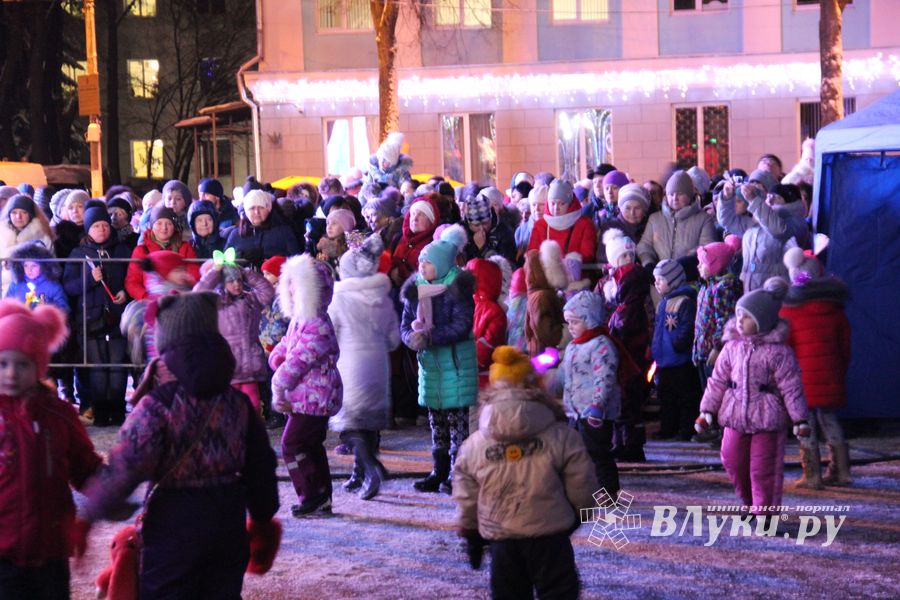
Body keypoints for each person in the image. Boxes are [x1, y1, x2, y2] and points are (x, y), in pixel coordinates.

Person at [81, 292, 281, 598]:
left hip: (174, 520)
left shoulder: (157, 405)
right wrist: (263, 520)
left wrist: (89, 514)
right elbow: (260, 466)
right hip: (228, 519)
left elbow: (126, 466)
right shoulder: (238, 403)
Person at [453, 346, 597, 600]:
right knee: (559, 592)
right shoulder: (561, 435)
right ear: (535, 386)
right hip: (550, 534)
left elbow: (466, 493)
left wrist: (471, 531)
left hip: (501, 537)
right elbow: (582, 482)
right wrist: (580, 514)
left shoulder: (474, 445)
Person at [0, 300, 102, 598]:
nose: (11, 373)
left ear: (40, 365)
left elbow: (84, 465)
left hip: (51, 550)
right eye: (2, 363)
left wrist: (112, 484)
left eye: (23, 364)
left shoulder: (59, 414)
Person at [696, 278, 810, 518]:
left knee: (763, 468)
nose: (739, 320)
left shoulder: (779, 353)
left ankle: (765, 514)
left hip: (767, 417)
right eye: (738, 314)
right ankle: (749, 503)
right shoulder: (731, 348)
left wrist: (799, 419)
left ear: (762, 321)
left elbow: (791, 387)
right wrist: (707, 409)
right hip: (735, 414)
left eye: (746, 316)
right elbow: (717, 380)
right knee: (732, 459)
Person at [400, 224, 477, 494]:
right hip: (430, 367)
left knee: (457, 424)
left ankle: (459, 474)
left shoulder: (458, 289)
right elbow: (405, 325)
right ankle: (438, 470)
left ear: (443, 264)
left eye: (428, 263)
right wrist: (411, 338)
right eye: (421, 262)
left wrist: (430, 337)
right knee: (437, 423)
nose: (422, 267)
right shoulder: (416, 290)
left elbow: (462, 326)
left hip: (455, 366)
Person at [328, 234, 400, 500]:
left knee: (350, 425)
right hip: (378, 368)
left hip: (350, 366)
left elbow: (330, 335)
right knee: (369, 425)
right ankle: (363, 472)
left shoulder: (339, 300)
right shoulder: (383, 298)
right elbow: (394, 340)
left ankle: (372, 468)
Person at [270, 255, 342, 517]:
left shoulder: (317, 324)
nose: (290, 289)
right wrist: (277, 355)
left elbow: (299, 361)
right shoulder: (301, 320)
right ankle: (321, 496)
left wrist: (278, 384)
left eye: (295, 284)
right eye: (287, 283)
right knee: (310, 444)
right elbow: (288, 347)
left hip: (315, 396)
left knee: (293, 444)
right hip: (307, 396)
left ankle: (311, 494)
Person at [779, 247, 852, 488]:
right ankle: (842, 471)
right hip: (830, 377)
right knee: (830, 421)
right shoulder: (835, 309)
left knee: (805, 426)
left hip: (801, 381)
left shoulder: (788, 311)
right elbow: (845, 347)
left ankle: (812, 475)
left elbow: (785, 349)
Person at [63, 205, 131, 426]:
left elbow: (132, 278)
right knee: (98, 368)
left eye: (104, 225)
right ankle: (101, 412)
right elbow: (69, 287)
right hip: (90, 320)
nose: (101, 229)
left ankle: (118, 410)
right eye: (95, 225)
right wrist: (90, 279)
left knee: (118, 366)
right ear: (87, 229)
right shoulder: (78, 254)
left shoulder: (121, 251)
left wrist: (125, 292)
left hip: (117, 318)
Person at [560, 291, 632, 497]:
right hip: (576, 411)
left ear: (589, 319)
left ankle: (608, 493)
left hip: (595, 413)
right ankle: (585, 490)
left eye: (574, 322)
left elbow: (605, 378)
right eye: (568, 322)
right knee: (578, 453)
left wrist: (598, 405)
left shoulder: (601, 345)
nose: (570, 327)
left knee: (598, 453)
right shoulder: (573, 346)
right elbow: (564, 375)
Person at [193, 260, 275, 412]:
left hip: (250, 365)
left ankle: (252, 434)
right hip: (228, 366)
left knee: (254, 407)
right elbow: (198, 294)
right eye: (231, 281)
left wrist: (245, 272)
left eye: (238, 280)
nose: (236, 284)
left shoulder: (251, 299)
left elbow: (267, 291)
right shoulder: (217, 303)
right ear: (222, 283)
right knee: (230, 409)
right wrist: (215, 273)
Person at [718, 180, 809, 292]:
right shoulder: (758, 220)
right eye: (768, 197)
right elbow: (728, 220)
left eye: (776, 197)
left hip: (778, 290)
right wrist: (727, 197)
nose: (769, 201)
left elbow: (779, 230)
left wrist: (754, 200)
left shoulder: (796, 222)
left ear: (789, 202)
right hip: (750, 287)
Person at [652, 260, 700, 441]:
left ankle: (686, 429)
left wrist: (679, 343)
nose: (656, 284)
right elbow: (658, 331)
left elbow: (688, 326)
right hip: (664, 360)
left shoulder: (684, 301)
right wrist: (654, 350)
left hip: (680, 360)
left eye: (660, 280)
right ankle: (667, 428)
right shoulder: (662, 303)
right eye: (655, 280)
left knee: (685, 397)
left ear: (673, 281)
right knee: (666, 398)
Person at [637, 170, 716, 270]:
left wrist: (685, 264)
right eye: (671, 194)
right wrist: (648, 263)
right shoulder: (654, 219)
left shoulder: (704, 219)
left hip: (690, 279)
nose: (675, 198)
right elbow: (645, 245)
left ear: (690, 195)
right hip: (658, 278)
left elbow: (707, 249)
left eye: (680, 194)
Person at [693, 237, 743, 392]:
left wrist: (717, 348)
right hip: (703, 353)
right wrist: (696, 351)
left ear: (715, 265)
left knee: (717, 395)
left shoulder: (723, 289)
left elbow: (725, 322)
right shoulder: (705, 287)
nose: (698, 266)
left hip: (715, 355)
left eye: (702, 263)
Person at [125, 205, 200, 301]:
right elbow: (133, 281)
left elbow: (194, 274)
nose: (164, 228)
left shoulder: (184, 248)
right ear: (152, 226)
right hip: (149, 301)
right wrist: (146, 297)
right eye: (159, 223)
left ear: (174, 226)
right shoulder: (142, 250)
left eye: (168, 223)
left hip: (180, 299)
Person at [226, 190, 301, 269]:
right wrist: (240, 256)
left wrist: (267, 259)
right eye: (252, 208)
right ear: (246, 211)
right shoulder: (236, 234)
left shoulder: (283, 231)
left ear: (269, 208)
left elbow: (297, 261)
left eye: (261, 207)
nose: (256, 212)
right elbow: (224, 262)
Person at [527, 179, 596, 262]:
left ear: (570, 204)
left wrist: (565, 262)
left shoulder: (584, 224)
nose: (556, 208)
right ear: (547, 203)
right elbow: (532, 253)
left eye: (562, 203)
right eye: (553, 203)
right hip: (545, 272)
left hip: (575, 272)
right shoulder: (540, 225)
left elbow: (588, 254)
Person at [0, 194, 54, 296]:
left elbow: (50, 269)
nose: (18, 216)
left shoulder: (42, 238)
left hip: (32, 292)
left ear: (30, 214)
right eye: (14, 212)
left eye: (23, 212)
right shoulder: (1, 236)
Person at [466, 258, 507, 389]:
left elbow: (487, 345)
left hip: (485, 379)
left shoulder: (494, 311)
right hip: (468, 376)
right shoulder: (469, 304)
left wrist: (464, 363)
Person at [523, 240, 567, 357]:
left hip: (543, 353)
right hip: (546, 355)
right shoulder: (541, 297)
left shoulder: (542, 294)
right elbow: (546, 332)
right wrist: (565, 333)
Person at [389, 194, 440, 288]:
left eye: (421, 215)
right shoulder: (398, 238)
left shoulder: (434, 244)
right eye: (413, 214)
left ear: (431, 221)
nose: (415, 219)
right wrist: (391, 273)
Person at [5, 240, 68, 311]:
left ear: (43, 266)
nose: (29, 270)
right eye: (26, 265)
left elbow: (64, 311)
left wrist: (47, 308)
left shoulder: (53, 286)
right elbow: (6, 306)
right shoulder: (15, 284)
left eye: (34, 266)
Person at [461, 189, 517, 264]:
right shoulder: (462, 234)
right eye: (476, 225)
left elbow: (508, 266)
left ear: (491, 218)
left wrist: (484, 248)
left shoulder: (504, 232)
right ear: (469, 224)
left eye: (485, 223)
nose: (481, 228)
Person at [316, 208, 355, 275]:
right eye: (327, 223)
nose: (329, 227)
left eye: (334, 223)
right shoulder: (323, 245)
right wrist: (324, 263)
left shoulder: (353, 244)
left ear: (346, 226)